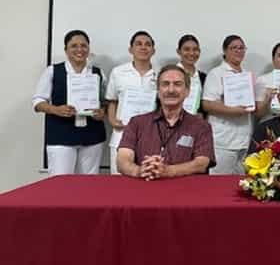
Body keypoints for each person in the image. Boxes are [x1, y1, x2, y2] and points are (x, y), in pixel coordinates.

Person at [117, 65, 215, 180]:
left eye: (177, 84)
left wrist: (167, 171)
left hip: (186, 192)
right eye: (165, 84)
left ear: (187, 91)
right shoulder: (137, 122)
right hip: (144, 189)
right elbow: (122, 160)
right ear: (158, 91)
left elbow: (201, 164)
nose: (171, 90)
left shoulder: (201, 126)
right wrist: (140, 171)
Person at [32, 30, 106, 175]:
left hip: (92, 137)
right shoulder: (53, 71)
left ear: (88, 49)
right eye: (74, 46)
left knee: (88, 185)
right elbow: (37, 102)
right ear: (66, 49)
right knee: (60, 185)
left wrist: (101, 111)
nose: (79, 50)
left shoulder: (98, 73)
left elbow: (104, 101)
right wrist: (56, 109)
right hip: (61, 135)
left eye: (84, 46)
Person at [105, 30, 157, 174]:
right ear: (131, 49)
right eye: (138, 44)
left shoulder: (160, 74)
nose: (143, 47)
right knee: (119, 183)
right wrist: (112, 120)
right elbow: (112, 101)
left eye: (148, 45)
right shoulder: (118, 72)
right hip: (121, 133)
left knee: (148, 179)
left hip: (151, 135)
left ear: (153, 50)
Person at [202, 35, 254, 174]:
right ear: (224, 51)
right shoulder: (216, 73)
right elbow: (207, 104)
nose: (238, 51)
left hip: (244, 138)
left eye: (241, 48)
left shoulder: (247, 75)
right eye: (234, 48)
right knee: (219, 184)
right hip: (223, 140)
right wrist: (233, 110)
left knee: (240, 183)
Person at [254, 42, 280, 123]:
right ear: (273, 59)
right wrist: (267, 100)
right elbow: (258, 114)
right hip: (269, 123)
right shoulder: (262, 80)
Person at [176, 34, 207, 117]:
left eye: (195, 49)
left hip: (197, 125)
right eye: (186, 49)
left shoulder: (203, 77)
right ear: (178, 51)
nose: (191, 53)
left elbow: (205, 103)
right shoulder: (170, 74)